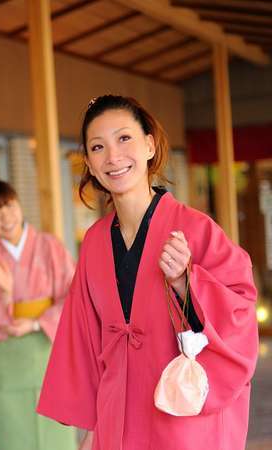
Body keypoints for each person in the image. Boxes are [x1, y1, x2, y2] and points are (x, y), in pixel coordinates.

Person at [37, 95, 259, 450]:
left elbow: (241, 313)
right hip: (118, 416)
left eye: (124, 138)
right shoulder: (94, 242)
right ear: (90, 165)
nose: (113, 156)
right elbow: (83, 337)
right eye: (98, 147)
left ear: (149, 146)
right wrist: (92, 426)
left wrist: (187, 283)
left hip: (178, 415)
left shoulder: (195, 228)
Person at [0, 179, 78, 450]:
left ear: (19, 205)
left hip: (48, 343)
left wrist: (36, 323)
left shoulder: (49, 246)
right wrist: (6, 296)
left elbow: (74, 293)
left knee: (55, 426)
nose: (4, 217)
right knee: (13, 425)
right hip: (9, 351)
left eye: (8, 206)